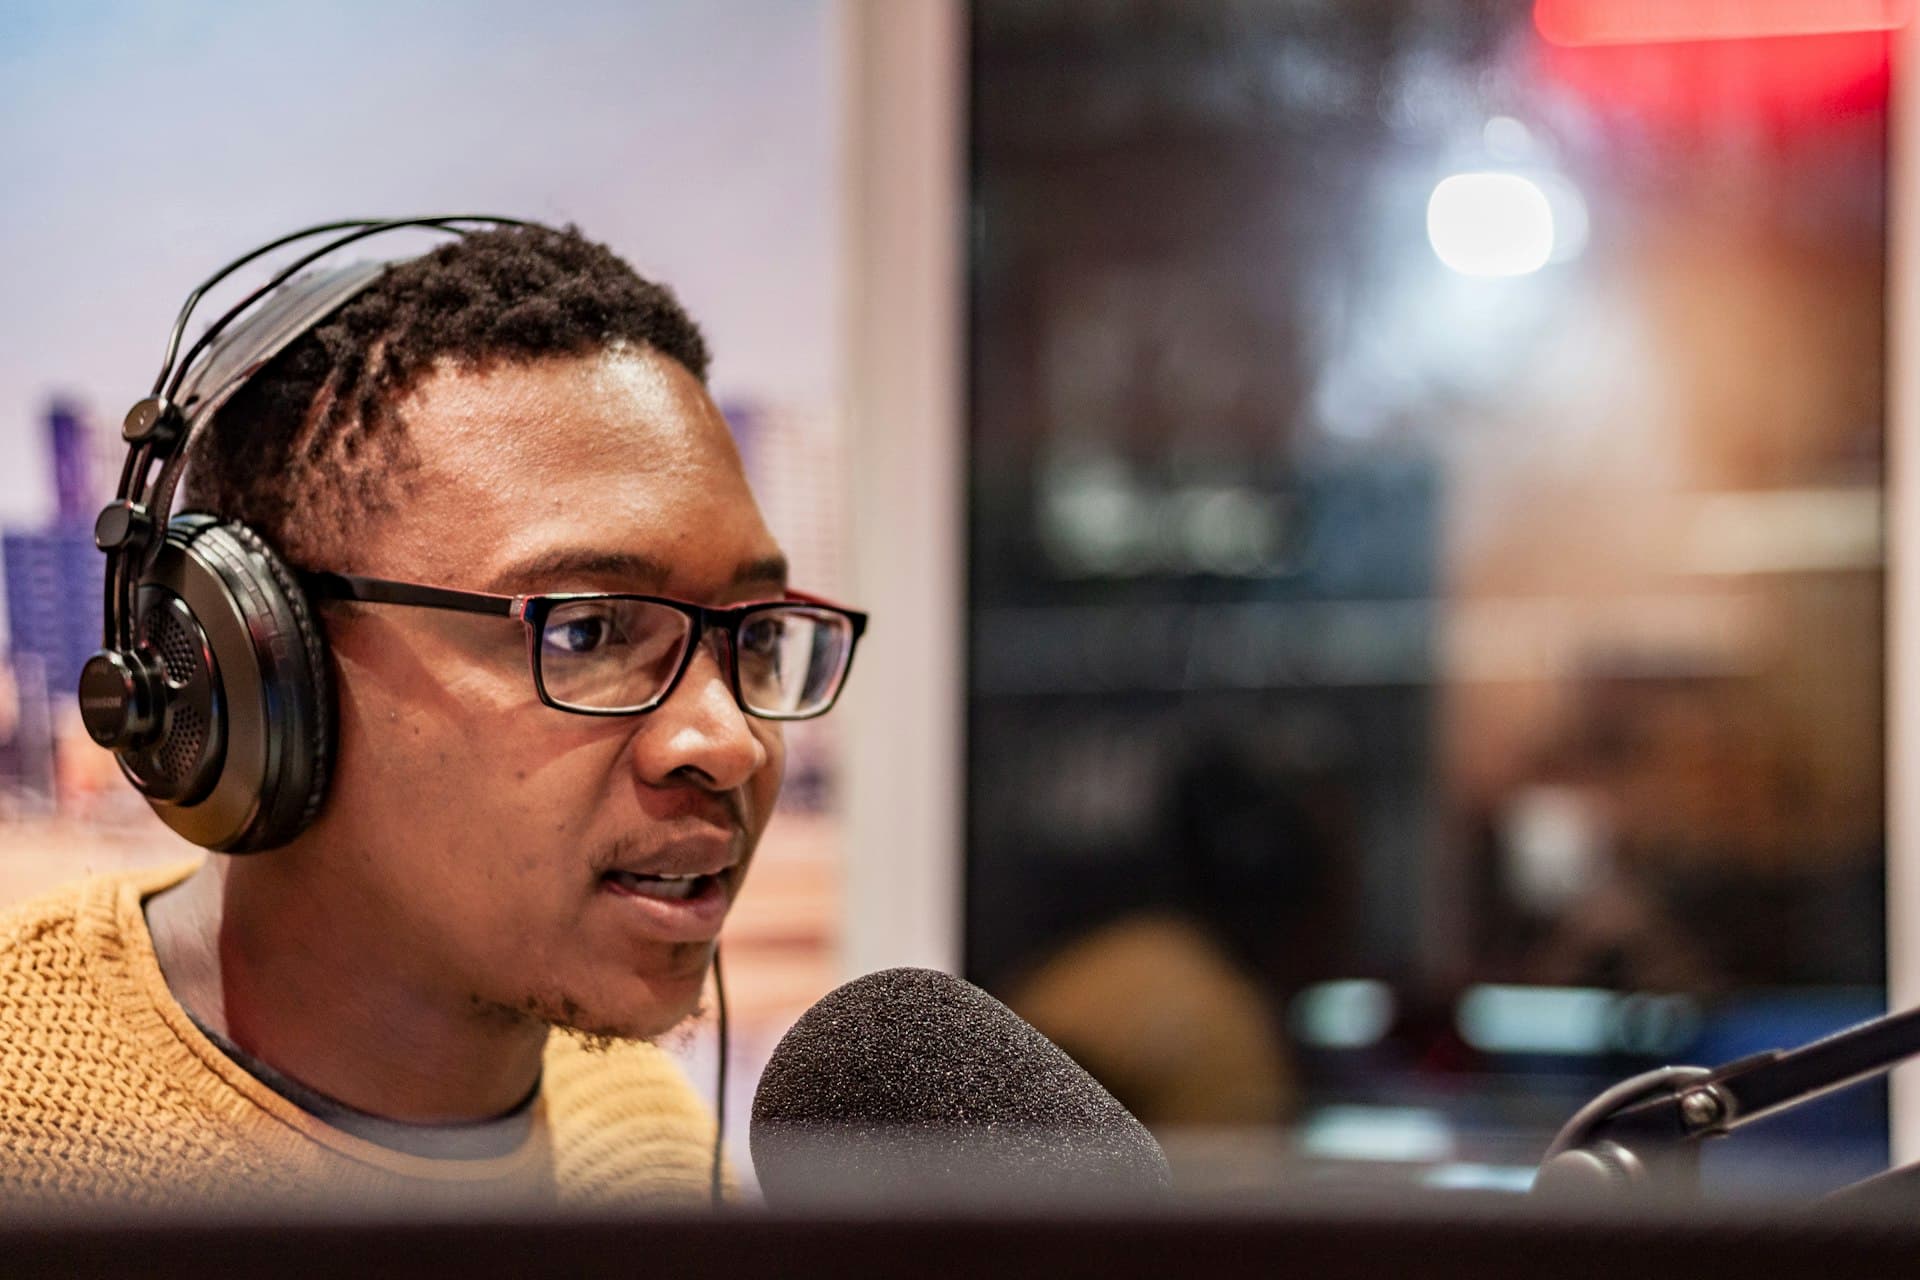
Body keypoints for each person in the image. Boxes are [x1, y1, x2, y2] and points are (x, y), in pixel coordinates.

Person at [0, 223, 864, 1209]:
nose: (729, 741)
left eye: (756, 635)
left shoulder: (647, 1144)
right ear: (256, 669)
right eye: (584, 631)